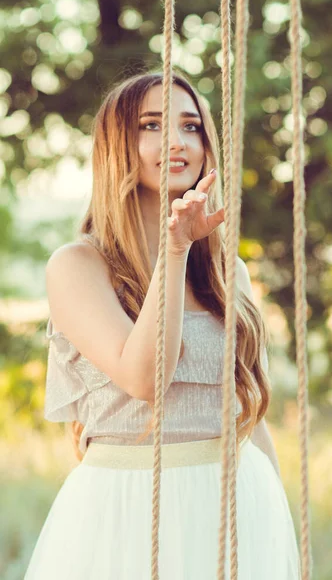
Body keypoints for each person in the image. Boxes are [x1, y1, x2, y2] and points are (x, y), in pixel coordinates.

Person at [24, 69, 301, 579]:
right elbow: (144, 379)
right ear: (116, 144)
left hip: (238, 503)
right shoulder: (77, 266)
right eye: (151, 125)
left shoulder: (226, 270)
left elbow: (247, 416)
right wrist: (174, 250)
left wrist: (280, 531)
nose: (177, 141)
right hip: (129, 508)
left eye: (192, 126)